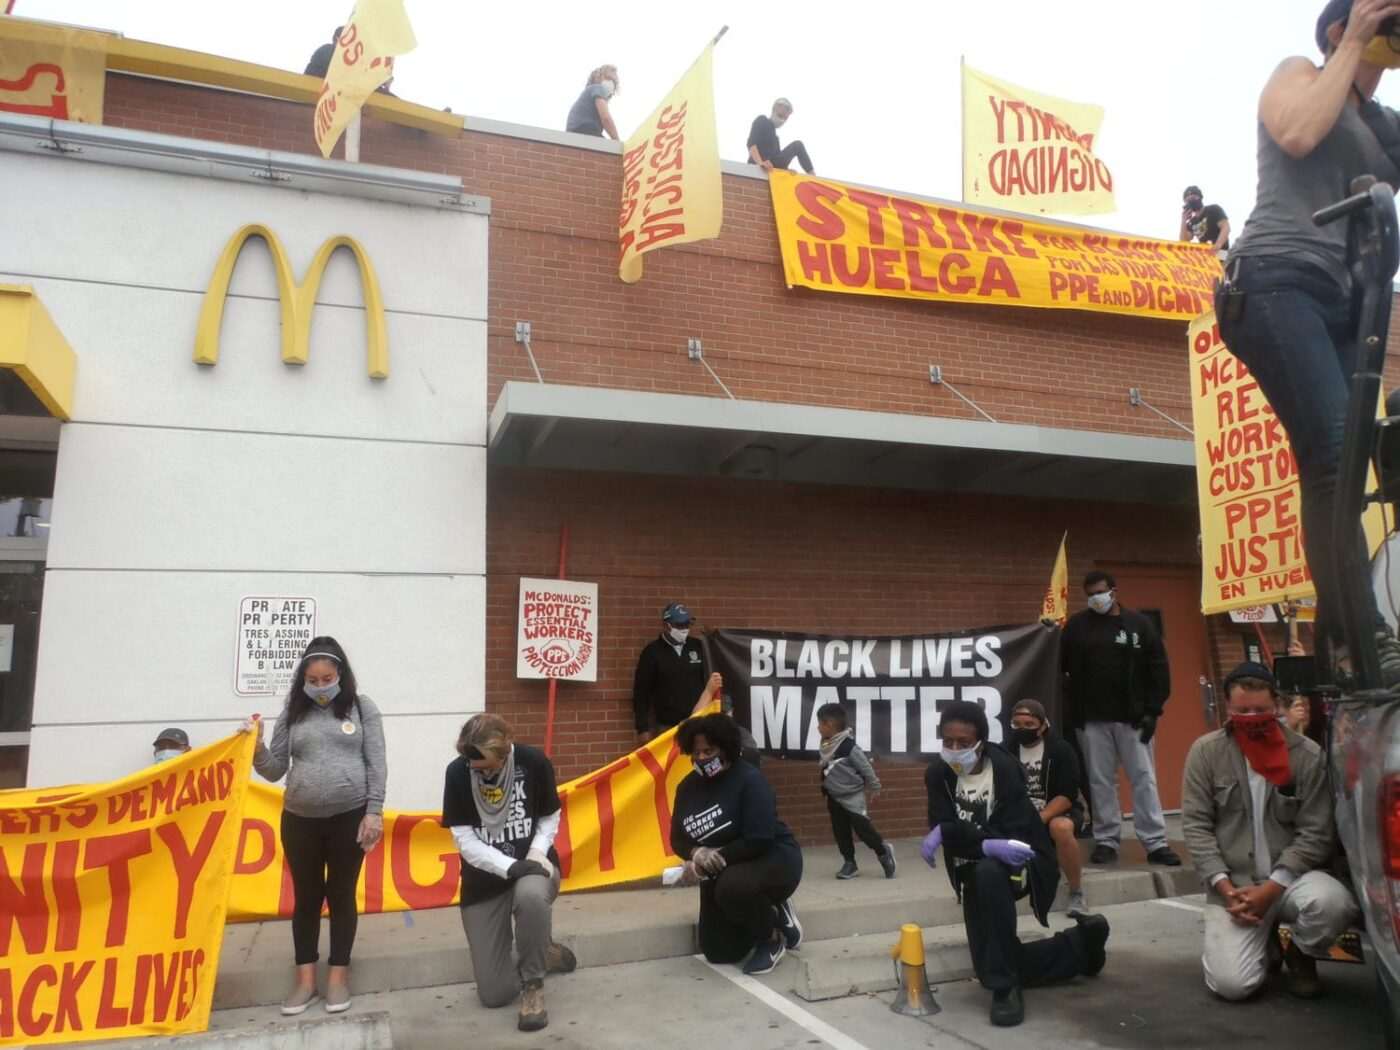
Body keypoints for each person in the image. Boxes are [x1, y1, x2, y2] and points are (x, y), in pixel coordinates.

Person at [1216, 0, 1400, 686]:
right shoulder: (1299, 73)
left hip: (1347, 306)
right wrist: (1353, 39)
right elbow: (1295, 133)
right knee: (1331, 458)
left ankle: (1342, 642)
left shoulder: (1383, 126)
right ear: (1338, 29)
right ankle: (1364, 636)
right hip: (1274, 282)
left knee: (1349, 471)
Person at [921, 700, 1110, 1027]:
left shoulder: (1005, 770)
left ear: (980, 743)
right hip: (974, 869)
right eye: (948, 742)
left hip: (1022, 861)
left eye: (963, 744)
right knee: (989, 965)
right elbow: (942, 824)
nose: (954, 750)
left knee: (989, 870)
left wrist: (959, 833)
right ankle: (1081, 947)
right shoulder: (937, 774)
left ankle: (1006, 990)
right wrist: (979, 839)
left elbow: (1012, 833)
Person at [1182, 662, 1360, 1000]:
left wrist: (1271, 890)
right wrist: (1224, 886)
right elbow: (1195, 826)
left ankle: (1300, 953)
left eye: (1260, 710)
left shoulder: (1307, 756)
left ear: (1276, 705)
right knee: (1233, 987)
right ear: (1227, 708)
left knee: (1334, 904)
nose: (1251, 716)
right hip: (1234, 884)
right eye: (1242, 710)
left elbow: (1316, 832)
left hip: (1293, 880)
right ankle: (1265, 944)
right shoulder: (1205, 753)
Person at [241, 637, 386, 1016]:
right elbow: (274, 770)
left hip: (349, 819)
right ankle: (305, 981)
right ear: (302, 679)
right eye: (313, 679)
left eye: (327, 678)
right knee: (306, 899)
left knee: (340, 895)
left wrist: (374, 811)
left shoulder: (361, 708)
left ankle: (338, 978)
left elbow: (376, 764)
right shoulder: (293, 711)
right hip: (300, 821)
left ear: (341, 675)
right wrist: (256, 747)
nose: (320, 686)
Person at [441, 714, 577, 1032]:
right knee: (494, 994)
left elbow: (549, 817)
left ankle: (534, 985)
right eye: (475, 767)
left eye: (488, 766)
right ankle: (544, 949)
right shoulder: (458, 772)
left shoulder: (533, 763)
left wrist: (532, 855)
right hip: (484, 881)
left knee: (530, 895)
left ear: (505, 752)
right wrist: (508, 866)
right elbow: (465, 840)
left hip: (533, 865)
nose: (482, 772)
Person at [1060, 571, 1182, 868]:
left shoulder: (1139, 624)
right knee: (1100, 781)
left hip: (1133, 718)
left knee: (1143, 778)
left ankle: (1155, 842)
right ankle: (1106, 840)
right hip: (1091, 719)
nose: (1095, 599)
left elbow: (1158, 669)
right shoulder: (1077, 626)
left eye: (1099, 592)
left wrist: (1153, 710)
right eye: (1089, 594)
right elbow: (1061, 666)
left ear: (1113, 591)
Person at [670, 712, 804, 976]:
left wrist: (715, 858)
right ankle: (768, 910)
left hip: (772, 858)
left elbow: (760, 838)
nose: (701, 758)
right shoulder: (687, 787)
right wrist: (697, 853)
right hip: (722, 865)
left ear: (726, 748)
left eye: (708, 751)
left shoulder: (750, 781)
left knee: (731, 888)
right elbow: (677, 838)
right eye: (695, 753)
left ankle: (772, 937)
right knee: (718, 952)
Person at [1008, 700, 1088, 917]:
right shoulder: (1007, 750)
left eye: (1029, 724)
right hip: (1022, 811)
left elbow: (1067, 796)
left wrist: (1038, 819)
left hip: (1059, 810)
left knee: (1060, 827)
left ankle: (1076, 892)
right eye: (1016, 724)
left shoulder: (1060, 749)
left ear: (1042, 726)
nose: (1022, 729)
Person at [816, 702, 896, 880]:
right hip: (834, 797)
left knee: (863, 829)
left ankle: (883, 851)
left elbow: (866, 767)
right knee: (840, 831)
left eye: (820, 724)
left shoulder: (849, 746)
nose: (818, 728)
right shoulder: (826, 745)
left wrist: (875, 786)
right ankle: (849, 863)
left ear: (829, 724)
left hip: (852, 796)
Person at [632, 602, 708, 744]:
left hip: (699, 723)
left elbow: (711, 680)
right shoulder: (652, 652)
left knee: (700, 762)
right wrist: (642, 728)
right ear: (667, 625)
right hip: (668, 726)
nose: (685, 629)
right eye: (680, 625)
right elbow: (641, 693)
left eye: (687, 624)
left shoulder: (698, 647)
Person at [747, 98, 814, 174]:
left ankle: (813, 177)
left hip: (772, 166)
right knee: (797, 145)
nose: (782, 120)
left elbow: (777, 158)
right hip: (758, 163)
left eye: (785, 119)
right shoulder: (762, 120)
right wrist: (760, 163)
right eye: (780, 116)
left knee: (798, 146)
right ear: (774, 109)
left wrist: (786, 170)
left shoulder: (775, 138)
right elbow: (751, 144)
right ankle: (813, 176)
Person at [566, 65, 620, 140]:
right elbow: (606, 119)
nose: (610, 83)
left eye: (613, 82)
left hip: (575, 133)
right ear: (597, 77)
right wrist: (617, 142)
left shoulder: (589, 92)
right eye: (608, 78)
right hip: (583, 130)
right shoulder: (597, 88)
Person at [1180, 185, 1231, 254]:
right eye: (1188, 200)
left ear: (1200, 197)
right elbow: (1183, 241)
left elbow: (1225, 227)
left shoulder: (1213, 209)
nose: (1191, 202)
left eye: (1193, 198)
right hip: (1206, 256)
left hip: (1221, 253)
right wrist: (1183, 220)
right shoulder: (1192, 222)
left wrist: (1218, 245)